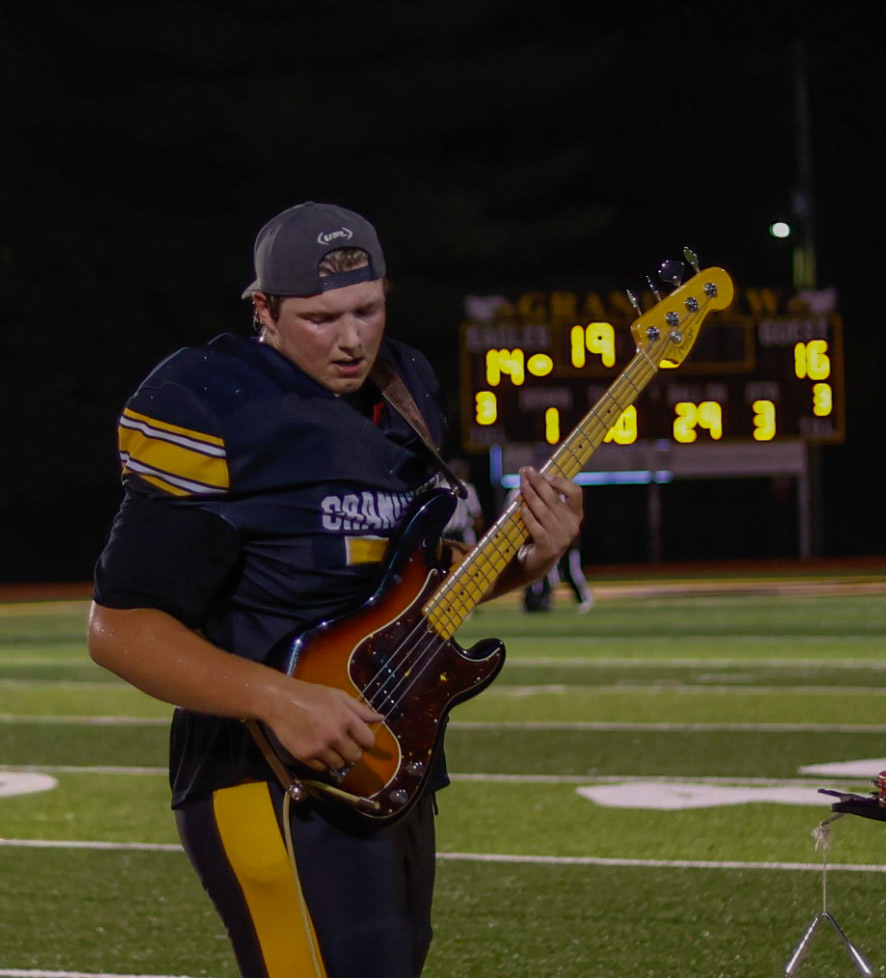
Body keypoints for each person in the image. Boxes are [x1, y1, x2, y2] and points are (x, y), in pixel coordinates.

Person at [86, 201, 583, 978]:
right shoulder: (212, 401)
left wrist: (529, 560)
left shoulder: (404, 387)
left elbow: (415, 587)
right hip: (265, 776)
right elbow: (119, 629)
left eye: (367, 310)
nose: (351, 339)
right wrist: (279, 700)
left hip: (391, 760)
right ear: (263, 309)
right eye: (320, 318)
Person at [441, 457, 484, 545]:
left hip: (443, 537)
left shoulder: (439, 487)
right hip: (464, 537)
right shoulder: (468, 488)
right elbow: (478, 518)